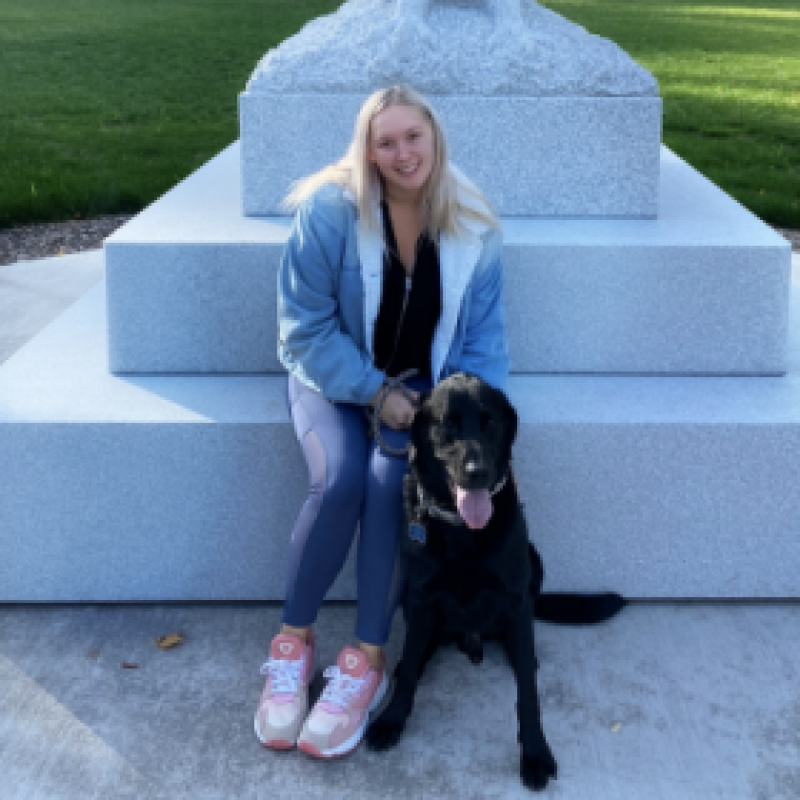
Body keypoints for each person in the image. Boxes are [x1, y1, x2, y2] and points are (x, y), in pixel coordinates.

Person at [254, 84, 510, 759]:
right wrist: (373, 392)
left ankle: (364, 660)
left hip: (422, 390)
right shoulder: (329, 213)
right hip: (331, 379)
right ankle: (293, 646)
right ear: (367, 149)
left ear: (435, 137)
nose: (402, 153)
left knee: (387, 480)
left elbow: (484, 346)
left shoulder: (474, 226)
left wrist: (470, 424)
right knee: (338, 481)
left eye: (413, 137)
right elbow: (303, 330)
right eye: (385, 140)